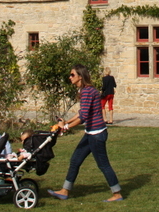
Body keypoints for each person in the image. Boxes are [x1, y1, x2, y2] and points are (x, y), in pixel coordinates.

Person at [48, 65, 123, 202]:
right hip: (90, 133)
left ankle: (117, 194)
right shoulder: (86, 90)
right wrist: (66, 122)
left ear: (80, 76)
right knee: (75, 160)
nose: (70, 77)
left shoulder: (87, 91)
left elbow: (83, 117)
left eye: (72, 75)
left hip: (97, 134)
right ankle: (64, 191)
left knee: (103, 164)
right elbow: (81, 112)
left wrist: (65, 127)